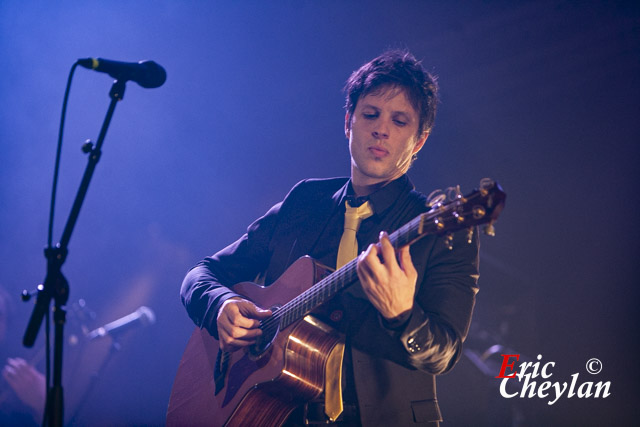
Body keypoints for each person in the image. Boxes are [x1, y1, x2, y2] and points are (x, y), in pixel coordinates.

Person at [181, 50, 479, 426]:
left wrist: (403, 315)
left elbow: (444, 353)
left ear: (418, 141)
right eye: (370, 114)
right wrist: (220, 305)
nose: (381, 129)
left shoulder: (444, 228)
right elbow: (201, 275)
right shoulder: (304, 203)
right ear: (348, 122)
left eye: (399, 121)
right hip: (278, 415)